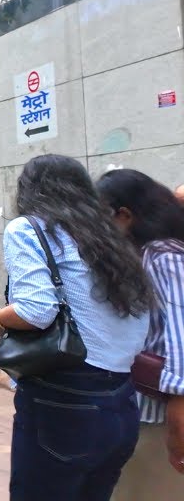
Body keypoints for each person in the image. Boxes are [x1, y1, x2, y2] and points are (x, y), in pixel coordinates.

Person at [0, 155, 153, 500]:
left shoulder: (29, 228)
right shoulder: (112, 238)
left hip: (64, 404)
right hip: (122, 403)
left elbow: (36, 310)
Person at [97, 170, 184, 497]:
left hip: (162, 413)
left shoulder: (164, 256)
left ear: (124, 214)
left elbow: (181, 336)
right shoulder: (151, 251)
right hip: (144, 407)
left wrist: (178, 417)